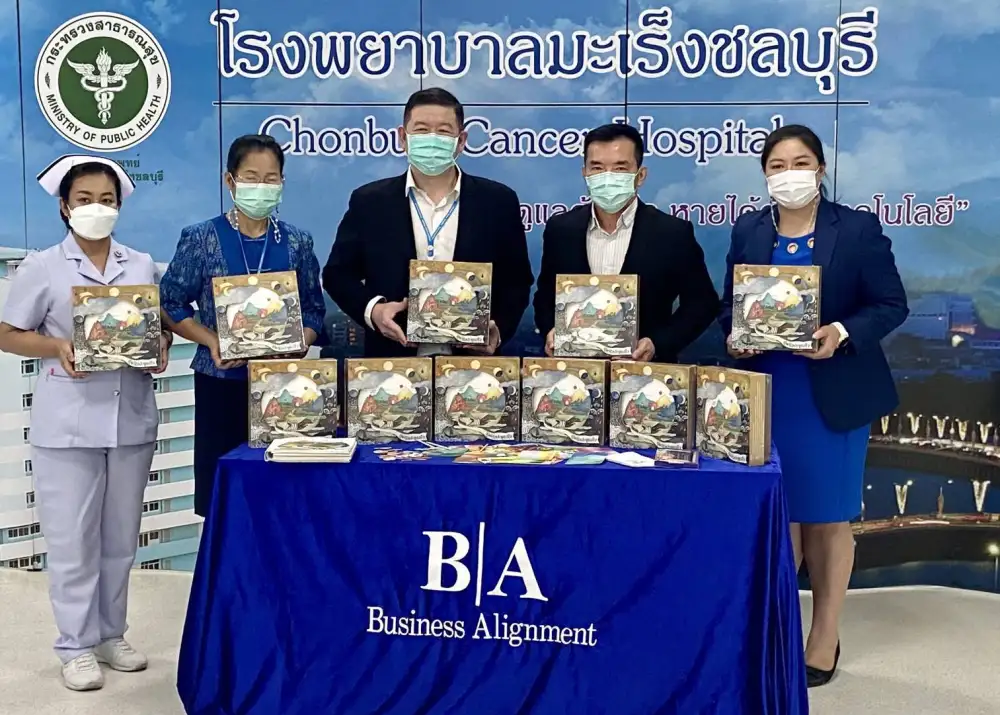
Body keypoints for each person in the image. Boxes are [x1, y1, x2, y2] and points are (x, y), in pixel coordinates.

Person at [720, 124, 908, 687]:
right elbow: (730, 305)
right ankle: (777, 629)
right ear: (764, 175)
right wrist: (735, 337)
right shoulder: (749, 229)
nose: (789, 175)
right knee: (779, 516)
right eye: (777, 166)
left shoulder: (856, 228)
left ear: (820, 169)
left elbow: (890, 304)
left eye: (800, 163)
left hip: (833, 394)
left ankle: (824, 634)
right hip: (769, 392)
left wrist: (841, 332)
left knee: (827, 517)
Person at [0, 155, 171, 691]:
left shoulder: (140, 264)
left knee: (120, 539)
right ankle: (74, 645)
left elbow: (158, 327)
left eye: (106, 200)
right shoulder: (42, 266)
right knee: (73, 541)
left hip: (130, 419)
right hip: (67, 423)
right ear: (64, 207)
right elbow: (7, 333)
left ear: (119, 206)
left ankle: (110, 634)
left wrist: (161, 346)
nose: (97, 208)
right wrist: (56, 346)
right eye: (85, 199)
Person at [159, 135, 326, 518]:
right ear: (230, 180)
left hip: (284, 388)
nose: (261, 186)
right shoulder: (201, 238)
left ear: (282, 183)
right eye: (251, 177)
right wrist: (211, 340)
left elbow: (314, 311)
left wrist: (299, 341)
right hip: (220, 383)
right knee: (223, 498)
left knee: (283, 496)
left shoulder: (298, 242)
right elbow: (170, 303)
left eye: (271, 178)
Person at [323, 87, 534, 357]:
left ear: (461, 141)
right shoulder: (369, 202)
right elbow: (338, 275)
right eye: (421, 130)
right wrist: (375, 310)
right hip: (393, 365)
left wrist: (499, 329)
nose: (432, 139)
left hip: (473, 365)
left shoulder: (498, 201)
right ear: (403, 137)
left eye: (444, 131)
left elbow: (516, 281)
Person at [533, 123, 720, 361]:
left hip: (645, 375)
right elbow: (545, 298)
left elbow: (702, 303)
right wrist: (550, 331)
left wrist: (657, 344)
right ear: (585, 173)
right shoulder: (561, 230)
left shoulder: (672, 233)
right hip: (575, 371)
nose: (607, 177)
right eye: (597, 168)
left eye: (620, 168)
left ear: (640, 176)